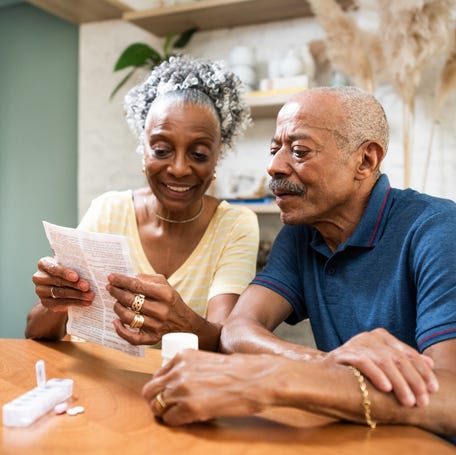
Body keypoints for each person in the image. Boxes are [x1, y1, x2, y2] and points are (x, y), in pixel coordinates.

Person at [141, 86, 456, 441]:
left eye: (299, 151)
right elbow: (237, 330)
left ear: (365, 161)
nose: (274, 165)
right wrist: (324, 365)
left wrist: (274, 380)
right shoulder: (302, 232)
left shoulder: (438, 230)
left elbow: (451, 399)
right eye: (275, 149)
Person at [25, 55, 259, 351]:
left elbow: (225, 342)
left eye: (198, 154)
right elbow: (35, 332)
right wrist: (55, 299)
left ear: (217, 157)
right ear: (143, 149)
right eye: (161, 150)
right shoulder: (108, 211)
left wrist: (180, 320)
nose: (178, 168)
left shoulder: (235, 225)